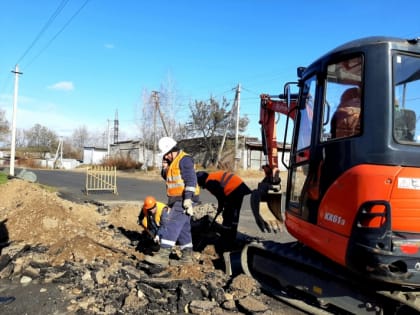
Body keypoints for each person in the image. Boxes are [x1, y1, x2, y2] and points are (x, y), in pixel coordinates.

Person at [143, 137, 198, 267]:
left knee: (171, 224)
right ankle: (187, 257)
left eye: (165, 154)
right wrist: (165, 168)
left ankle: (162, 256)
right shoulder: (173, 162)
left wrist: (188, 199)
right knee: (184, 228)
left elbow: (191, 180)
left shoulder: (185, 159)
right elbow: (170, 179)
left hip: (184, 199)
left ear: (170, 151)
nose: (165, 157)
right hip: (177, 199)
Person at [196, 170, 252, 248]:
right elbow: (220, 193)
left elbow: (220, 195)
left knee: (228, 215)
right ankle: (231, 236)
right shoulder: (212, 176)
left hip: (233, 190)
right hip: (239, 187)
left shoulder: (209, 182)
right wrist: (221, 206)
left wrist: (221, 206)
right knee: (234, 214)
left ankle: (226, 239)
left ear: (201, 181)